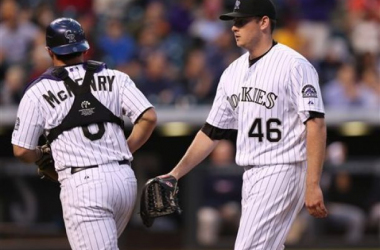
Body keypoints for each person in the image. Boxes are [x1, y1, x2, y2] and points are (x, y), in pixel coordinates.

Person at [161, 0, 328, 249]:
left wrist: (312, 184)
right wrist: (175, 173)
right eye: (233, 22)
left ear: (263, 22)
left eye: (241, 21)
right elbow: (211, 131)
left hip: (282, 168)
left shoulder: (295, 65)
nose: (234, 28)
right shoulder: (232, 72)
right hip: (251, 174)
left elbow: (315, 123)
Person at [11, 17, 157, 250]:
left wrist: (40, 154)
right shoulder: (115, 76)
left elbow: (21, 150)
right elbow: (148, 117)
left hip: (84, 185)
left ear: (49, 51)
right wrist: (125, 149)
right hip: (124, 181)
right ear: (84, 47)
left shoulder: (38, 90)